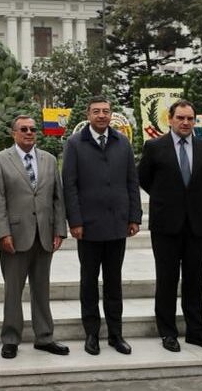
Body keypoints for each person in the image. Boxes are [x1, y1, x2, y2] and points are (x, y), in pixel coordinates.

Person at [138, 99, 202, 353]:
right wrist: (167, 199)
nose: (185, 123)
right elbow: (145, 179)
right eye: (180, 118)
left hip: (197, 226)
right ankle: (168, 332)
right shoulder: (154, 147)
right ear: (170, 119)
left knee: (195, 281)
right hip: (166, 226)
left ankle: (197, 332)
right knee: (167, 280)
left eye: (189, 119)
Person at [62, 96, 141, 356]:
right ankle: (92, 334)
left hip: (117, 224)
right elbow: (69, 185)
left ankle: (116, 334)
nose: (101, 116)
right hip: (89, 226)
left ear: (111, 114)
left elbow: (132, 181)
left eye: (106, 111)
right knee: (88, 282)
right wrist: (75, 221)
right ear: (88, 114)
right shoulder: (75, 144)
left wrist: (134, 216)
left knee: (114, 282)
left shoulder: (122, 142)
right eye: (96, 111)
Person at [0, 115, 69, 359]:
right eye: (24, 129)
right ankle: (11, 338)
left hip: (44, 235)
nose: (29, 132)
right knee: (13, 290)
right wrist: (3, 233)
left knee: (41, 289)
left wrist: (59, 230)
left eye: (33, 129)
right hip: (15, 236)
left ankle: (44, 337)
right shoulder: (0, 161)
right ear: (14, 133)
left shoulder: (49, 160)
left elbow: (57, 198)